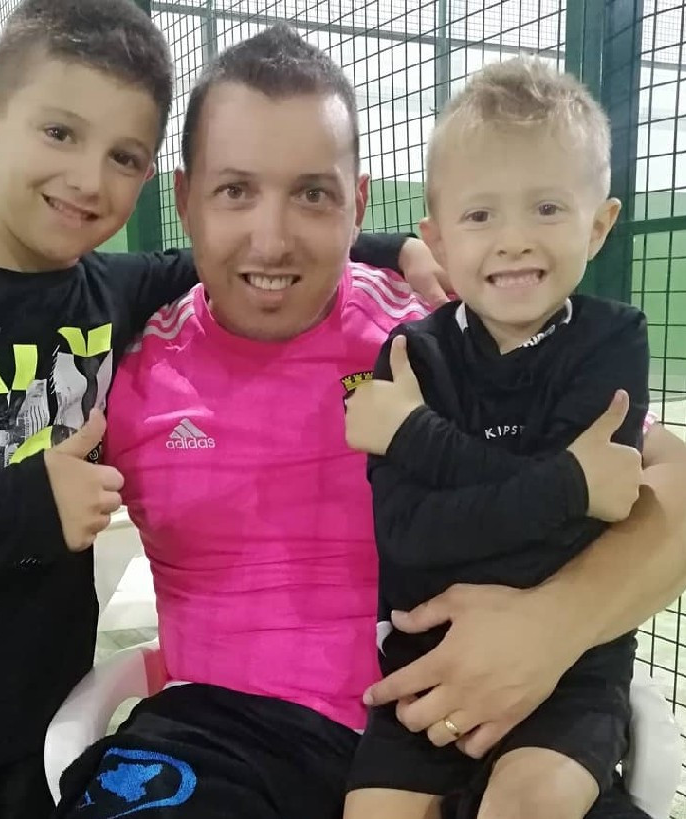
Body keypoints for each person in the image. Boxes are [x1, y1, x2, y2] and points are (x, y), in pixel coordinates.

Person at [54, 26, 686, 819]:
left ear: (356, 203)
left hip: (470, 724)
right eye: (235, 190)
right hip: (221, 736)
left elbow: (669, 481)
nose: (271, 238)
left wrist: (554, 624)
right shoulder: (123, 369)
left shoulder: (440, 335)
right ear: (184, 199)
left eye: (312, 194)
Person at [0, 4, 433, 817]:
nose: (87, 179)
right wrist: (26, 503)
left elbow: (252, 252)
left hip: (41, 702)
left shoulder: (114, 292)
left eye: (122, 155)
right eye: (59, 133)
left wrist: (403, 247)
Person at [344, 58, 648, 819]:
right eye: (479, 216)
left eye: (546, 207)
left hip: (569, 670)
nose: (513, 240)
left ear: (598, 224)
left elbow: (573, 538)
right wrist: (566, 483)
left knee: (528, 804)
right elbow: (408, 535)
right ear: (437, 240)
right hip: (426, 661)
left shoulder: (613, 343)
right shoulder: (411, 357)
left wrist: (415, 436)